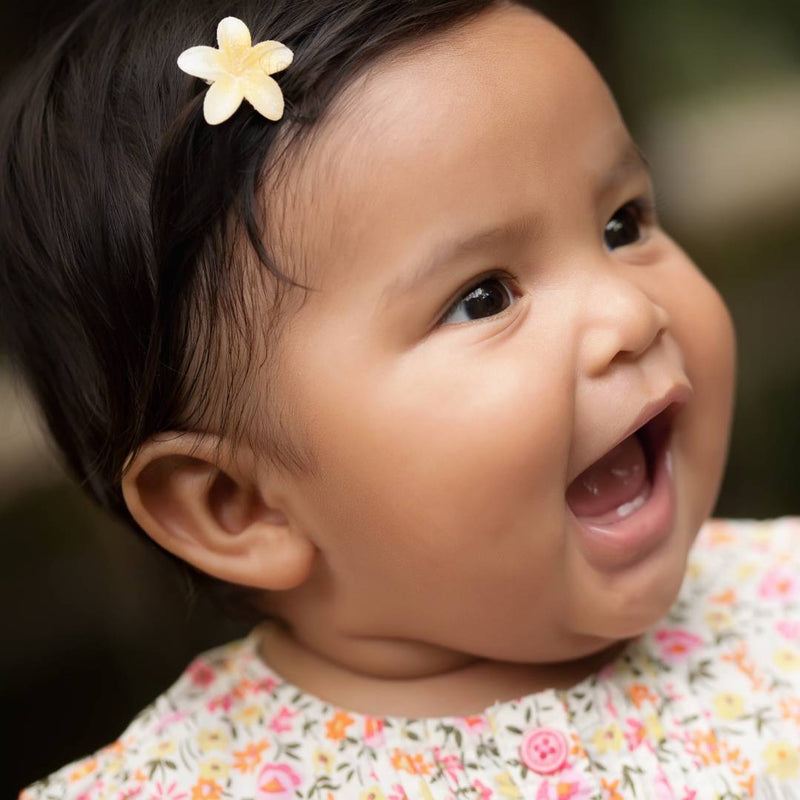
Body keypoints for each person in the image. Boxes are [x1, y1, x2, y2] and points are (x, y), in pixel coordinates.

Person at [3, 0, 796, 796]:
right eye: (484, 298)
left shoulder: (781, 597)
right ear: (240, 505)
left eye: (622, 225)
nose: (632, 313)